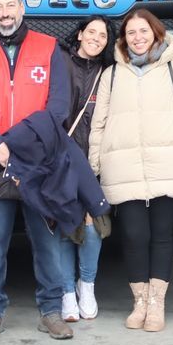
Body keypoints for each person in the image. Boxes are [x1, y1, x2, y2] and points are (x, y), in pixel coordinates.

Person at [0, 0, 73, 342]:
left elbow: (59, 105)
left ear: (22, 8)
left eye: (11, 5)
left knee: (46, 241)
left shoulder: (50, 47)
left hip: (38, 161)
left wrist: (23, 145)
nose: (5, 13)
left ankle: (51, 312)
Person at [90, 8, 173, 333]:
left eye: (143, 31)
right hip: (124, 166)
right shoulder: (112, 74)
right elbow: (99, 122)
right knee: (134, 235)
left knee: (163, 236)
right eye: (131, 33)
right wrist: (96, 161)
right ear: (123, 39)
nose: (138, 38)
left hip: (169, 163)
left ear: (156, 32)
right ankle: (139, 300)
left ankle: (157, 303)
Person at [56, 16, 114, 322]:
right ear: (79, 34)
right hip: (62, 159)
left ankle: (86, 285)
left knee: (94, 224)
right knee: (66, 225)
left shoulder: (109, 71)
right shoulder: (59, 60)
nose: (95, 38)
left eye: (102, 35)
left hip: (94, 160)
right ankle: (67, 292)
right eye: (90, 31)